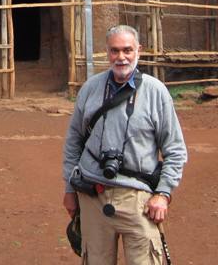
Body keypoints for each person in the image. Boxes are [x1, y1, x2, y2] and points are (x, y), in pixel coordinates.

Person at [62, 25, 187, 264]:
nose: (121, 57)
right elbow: (73, 142)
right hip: (92, 196)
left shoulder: (155, 92)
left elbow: (175, 150)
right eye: (114, 51)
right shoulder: (90, 89)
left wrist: (163, 193)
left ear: (138, 50)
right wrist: (69, 189)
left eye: (127, 50)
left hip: (138, 199)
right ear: (107, 52)